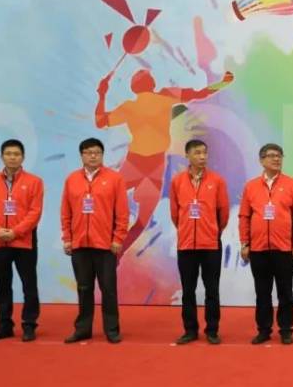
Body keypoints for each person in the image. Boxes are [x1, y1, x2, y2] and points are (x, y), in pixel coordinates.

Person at [94, 68, 233, 256]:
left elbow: (100, 121)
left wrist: (102, 94)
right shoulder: (166, 96)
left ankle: (105, 244)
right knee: (142, 219)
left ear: (133, 88)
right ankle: (117, 253)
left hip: (136, 163)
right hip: (154, 165)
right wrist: (223, 83)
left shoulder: (130, 107)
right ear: (152, 84)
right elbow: (199, 93)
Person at [60, 138, 128, 343]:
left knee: (108, 289)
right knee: (83, 288)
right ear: (81, 155)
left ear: (102, 155)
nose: (93, 156)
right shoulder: (72, 179)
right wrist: (67, 238)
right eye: (88, 152)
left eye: (97, 152)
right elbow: (66, 212)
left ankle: (112, 330)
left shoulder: (115, 179)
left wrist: (118, 239)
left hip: (106, 245)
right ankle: (83, 329)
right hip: (79, 244)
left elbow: (122, 213)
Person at [239, 144, 293, 345]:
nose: (276, 159)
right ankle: (264, 330)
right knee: (262, 292)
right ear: (261, 160)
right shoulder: (251, 186)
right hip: (258, 249)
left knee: (285, 291)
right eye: (271, 156)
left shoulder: (292, 185)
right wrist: (244, 243)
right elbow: (244, 216)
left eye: (279, 156)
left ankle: (286, 329)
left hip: (283, 248)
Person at [0, 140, 43, 342]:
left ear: (23, 157)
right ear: (2, 156)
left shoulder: (34, 181)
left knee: (29, 285)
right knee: (2, 285)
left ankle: (29, 324)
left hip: (24, 241)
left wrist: (15, 232)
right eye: (8, 153)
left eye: (16, 154)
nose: (12, 157)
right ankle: (4, 325)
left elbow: (35, 212)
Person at [169, 139, 229, 345]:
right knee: (188, 291)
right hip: (186, 245)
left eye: (204, 152)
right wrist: (186, 230)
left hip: (211, 244)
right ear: (187, 155)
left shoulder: (217, 181)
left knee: (212, 290)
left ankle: (212, 330)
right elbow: (175, 213)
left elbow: (223, 213)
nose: (202, 156)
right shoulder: (177, 181)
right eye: (197, 153)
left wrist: (212, 231)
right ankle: (190, 330)